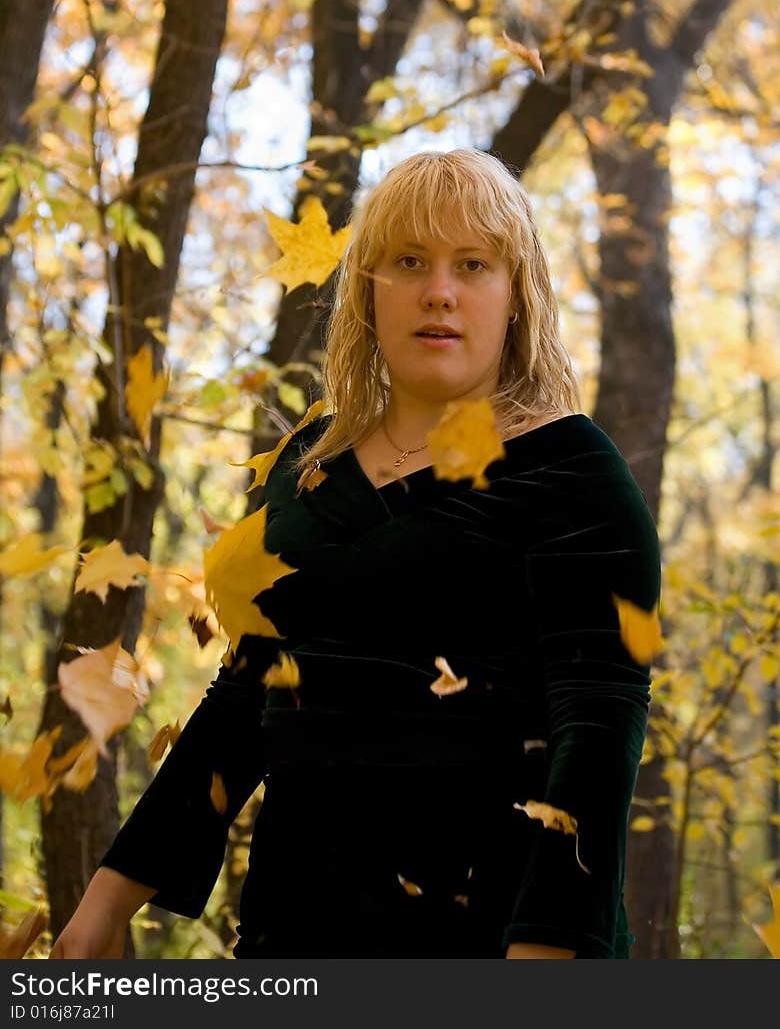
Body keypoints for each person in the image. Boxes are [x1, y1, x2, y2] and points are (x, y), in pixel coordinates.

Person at [50, 147, 662, 960]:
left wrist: (547, 954)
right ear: (368, 291)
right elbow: (245, 699)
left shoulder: (574, 472)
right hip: (294, 934)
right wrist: (103, 905)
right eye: (409, 261)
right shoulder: (311, 464)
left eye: (471, 264)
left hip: (489, 935)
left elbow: (598, 731)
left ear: (516, 297)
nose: (438, 290)